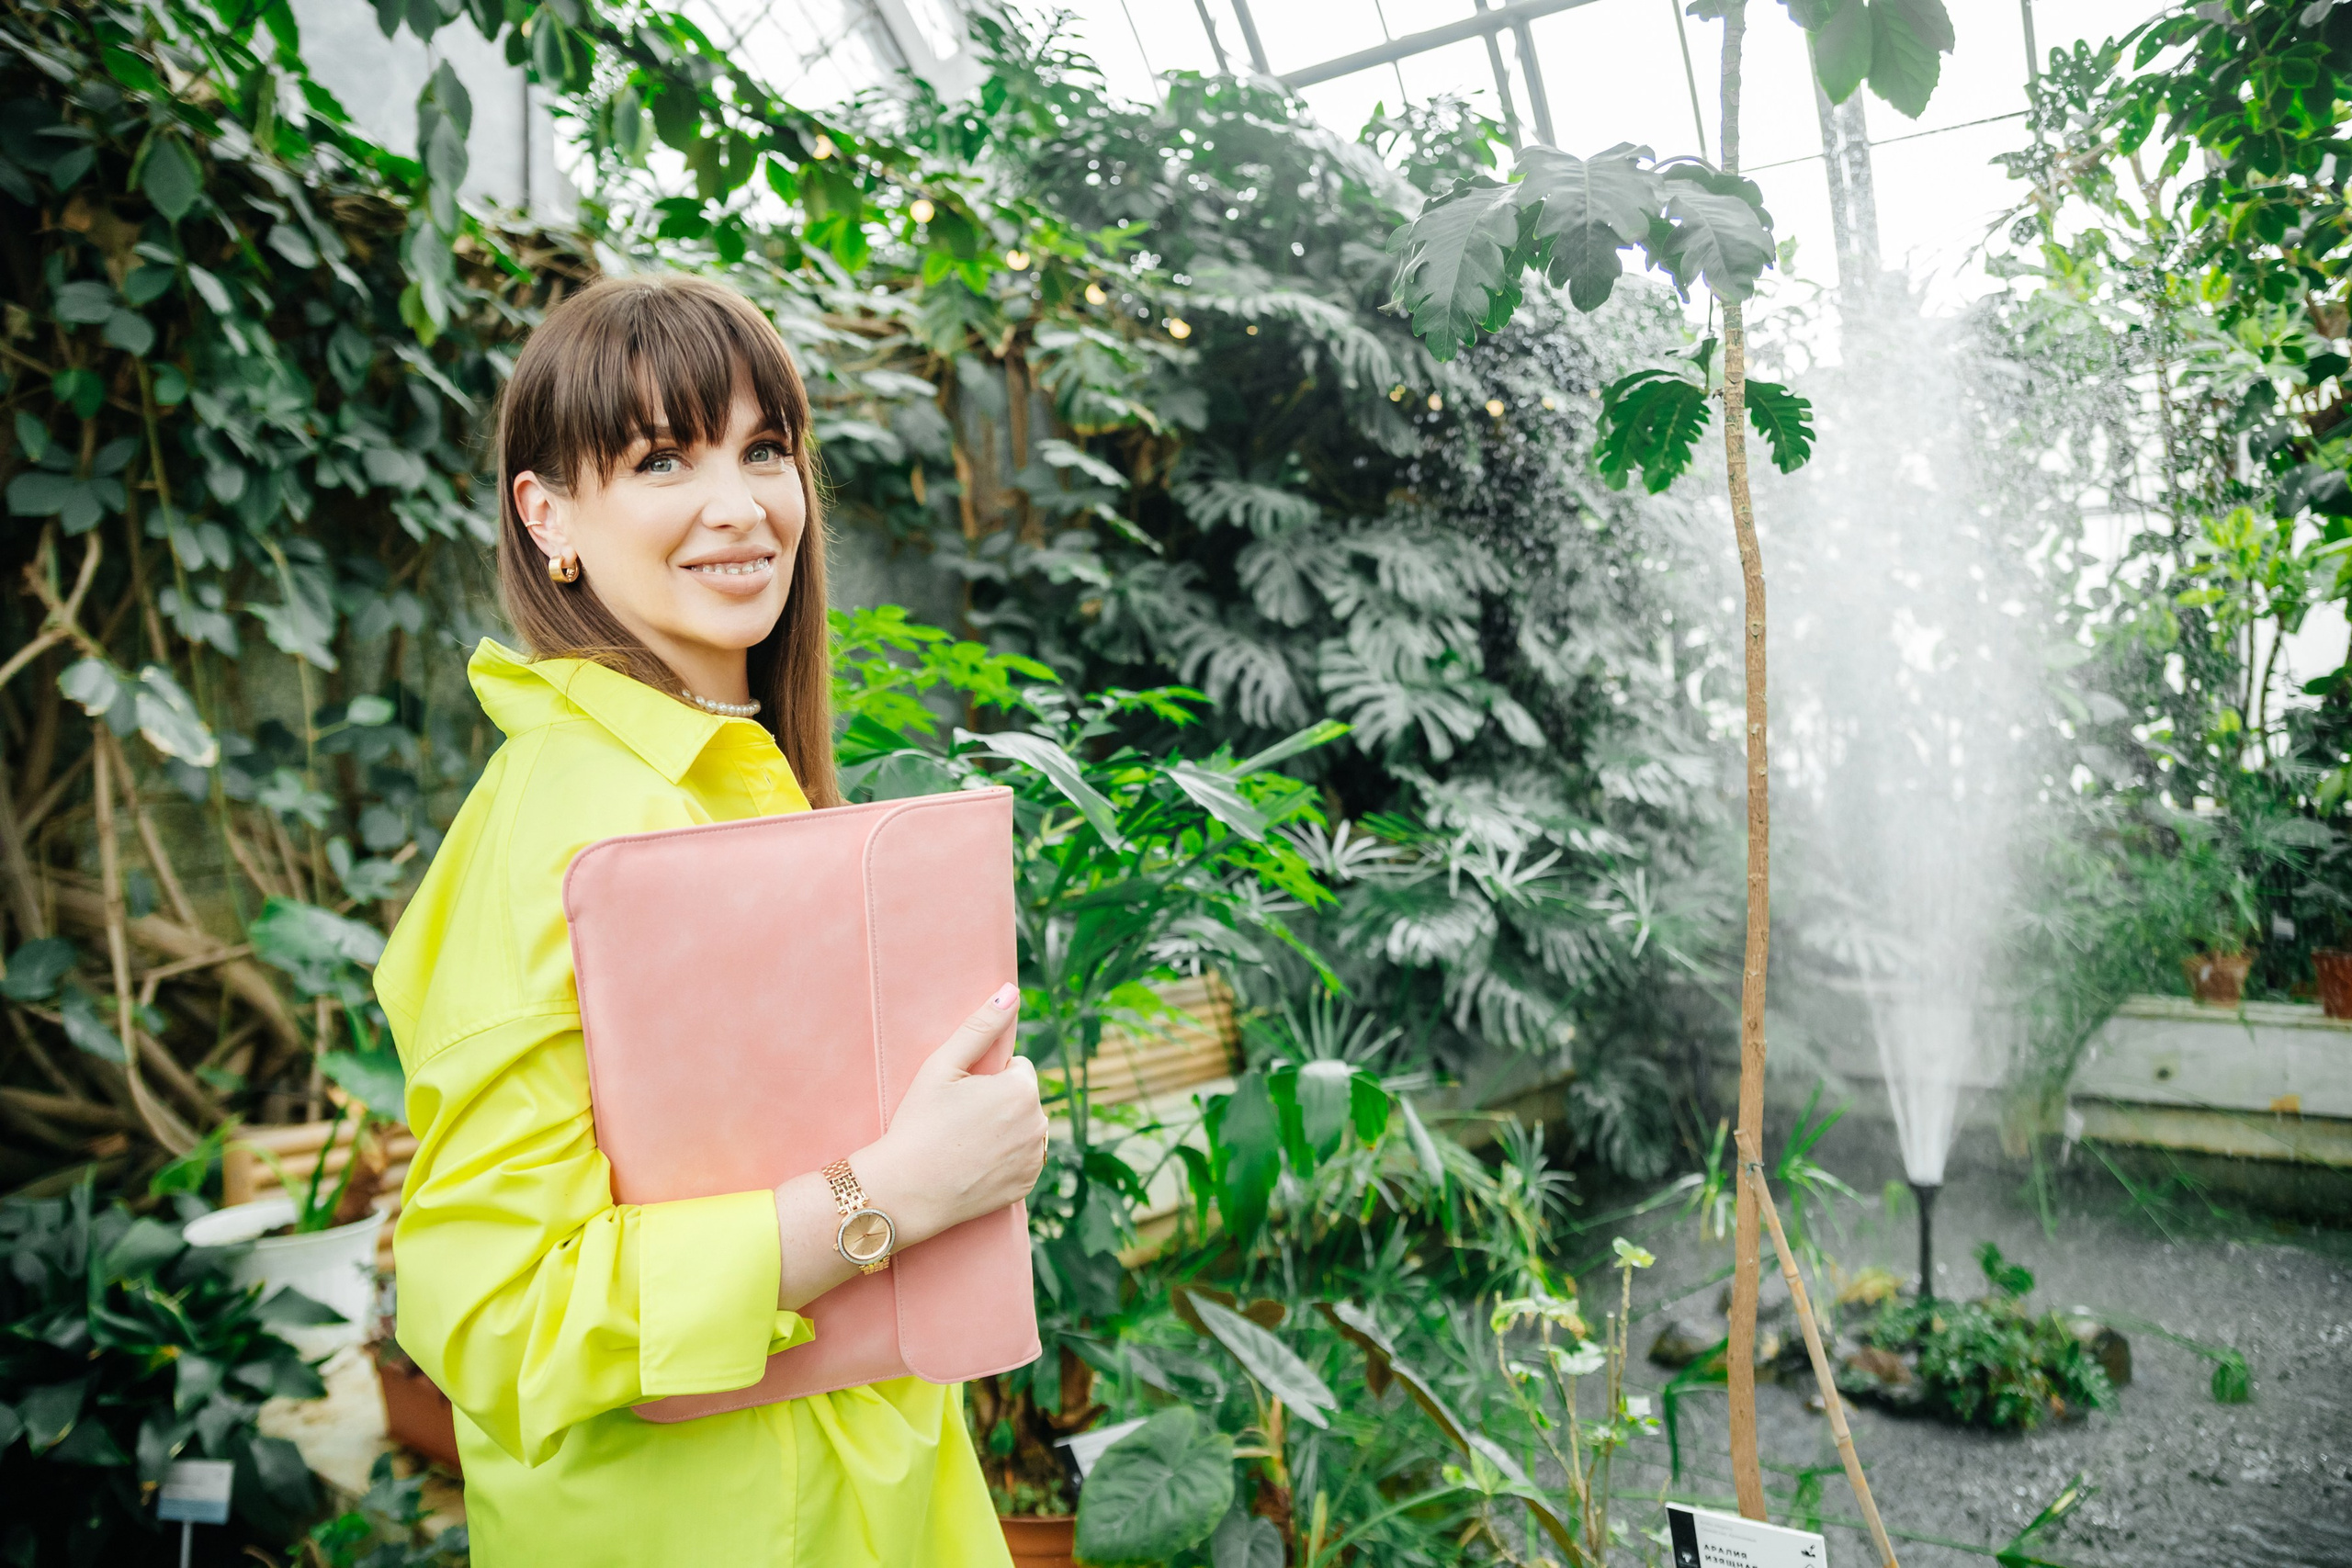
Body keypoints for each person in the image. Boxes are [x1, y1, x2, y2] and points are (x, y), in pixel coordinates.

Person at [374, 274, 1046, 1566]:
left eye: (766, 451)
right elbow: (500, 1311)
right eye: (664, 459)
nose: (740, 508)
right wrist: (888, 1197)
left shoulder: (732, 777)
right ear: (547, 513)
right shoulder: (569, 829)